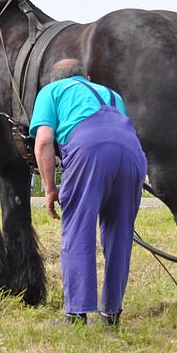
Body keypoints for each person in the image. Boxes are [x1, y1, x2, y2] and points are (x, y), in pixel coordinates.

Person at [30, 58, 147, 326]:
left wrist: (49, 189)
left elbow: (44, 141)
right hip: (132, 153)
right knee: (120, 232)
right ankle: (111, 313)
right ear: (88, 77)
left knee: (79, 227)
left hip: (89, 150)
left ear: (54, 79)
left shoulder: (51, 91)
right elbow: (119, 131)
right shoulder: (112, 94)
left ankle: (76, 313)